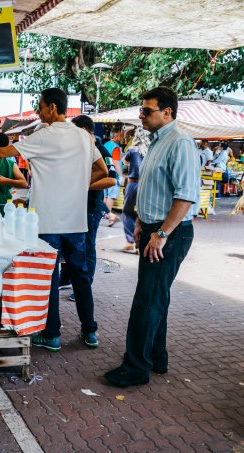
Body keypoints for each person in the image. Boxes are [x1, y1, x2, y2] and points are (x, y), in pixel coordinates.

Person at [0, 88, 108, 351]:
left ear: (53, 107)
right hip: (77, 221)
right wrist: (78, 186)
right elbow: (101, 170)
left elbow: (0, 153)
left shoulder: (44, 136)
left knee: (51, 277)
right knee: (81, 275)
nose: (38, 112)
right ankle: (90, 332)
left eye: (41, 107)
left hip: (48, 221)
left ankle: (52, 335)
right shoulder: (84, 137)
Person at [104, 87, 200, 388]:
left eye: (147, 110)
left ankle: (136, 367)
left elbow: (185, 197)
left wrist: (160, 233)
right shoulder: (157, 141)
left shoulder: (180, 142)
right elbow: (155, 188)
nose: (141, 115)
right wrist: (141, 225)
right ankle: (156, 357)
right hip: (152, 229)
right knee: (156, 296)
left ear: (167, 112)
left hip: (168, 233)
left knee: (147, 299)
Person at [60, 115, 117, 301]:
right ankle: (66, 277)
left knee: (88, 246)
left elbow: (111, 179)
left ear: (84, 130)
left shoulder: (99, 150)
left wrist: (84, 186)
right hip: (72, 206)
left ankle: (85, 286)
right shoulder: (79, 149)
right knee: (70, 244)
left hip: (90, 207)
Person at [121, 127, 150, 253]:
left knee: (127, 211)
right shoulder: (150, 150)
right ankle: (142, 243)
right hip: (147, 185)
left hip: (133, 184)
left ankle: (130, 241)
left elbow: (124, 162)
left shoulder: (132, 150)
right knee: (143, 213)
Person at [103, 128, 124, 227]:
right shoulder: (115, 147)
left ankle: (104, 213)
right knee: (111, 196)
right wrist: (120, 176)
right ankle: (109, 215)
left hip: (106, 174)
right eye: (120, 135)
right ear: (115, 135)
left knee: (106, 195)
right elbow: (116, 162)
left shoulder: (105, 145)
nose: (121, 137)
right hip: (114, 176)